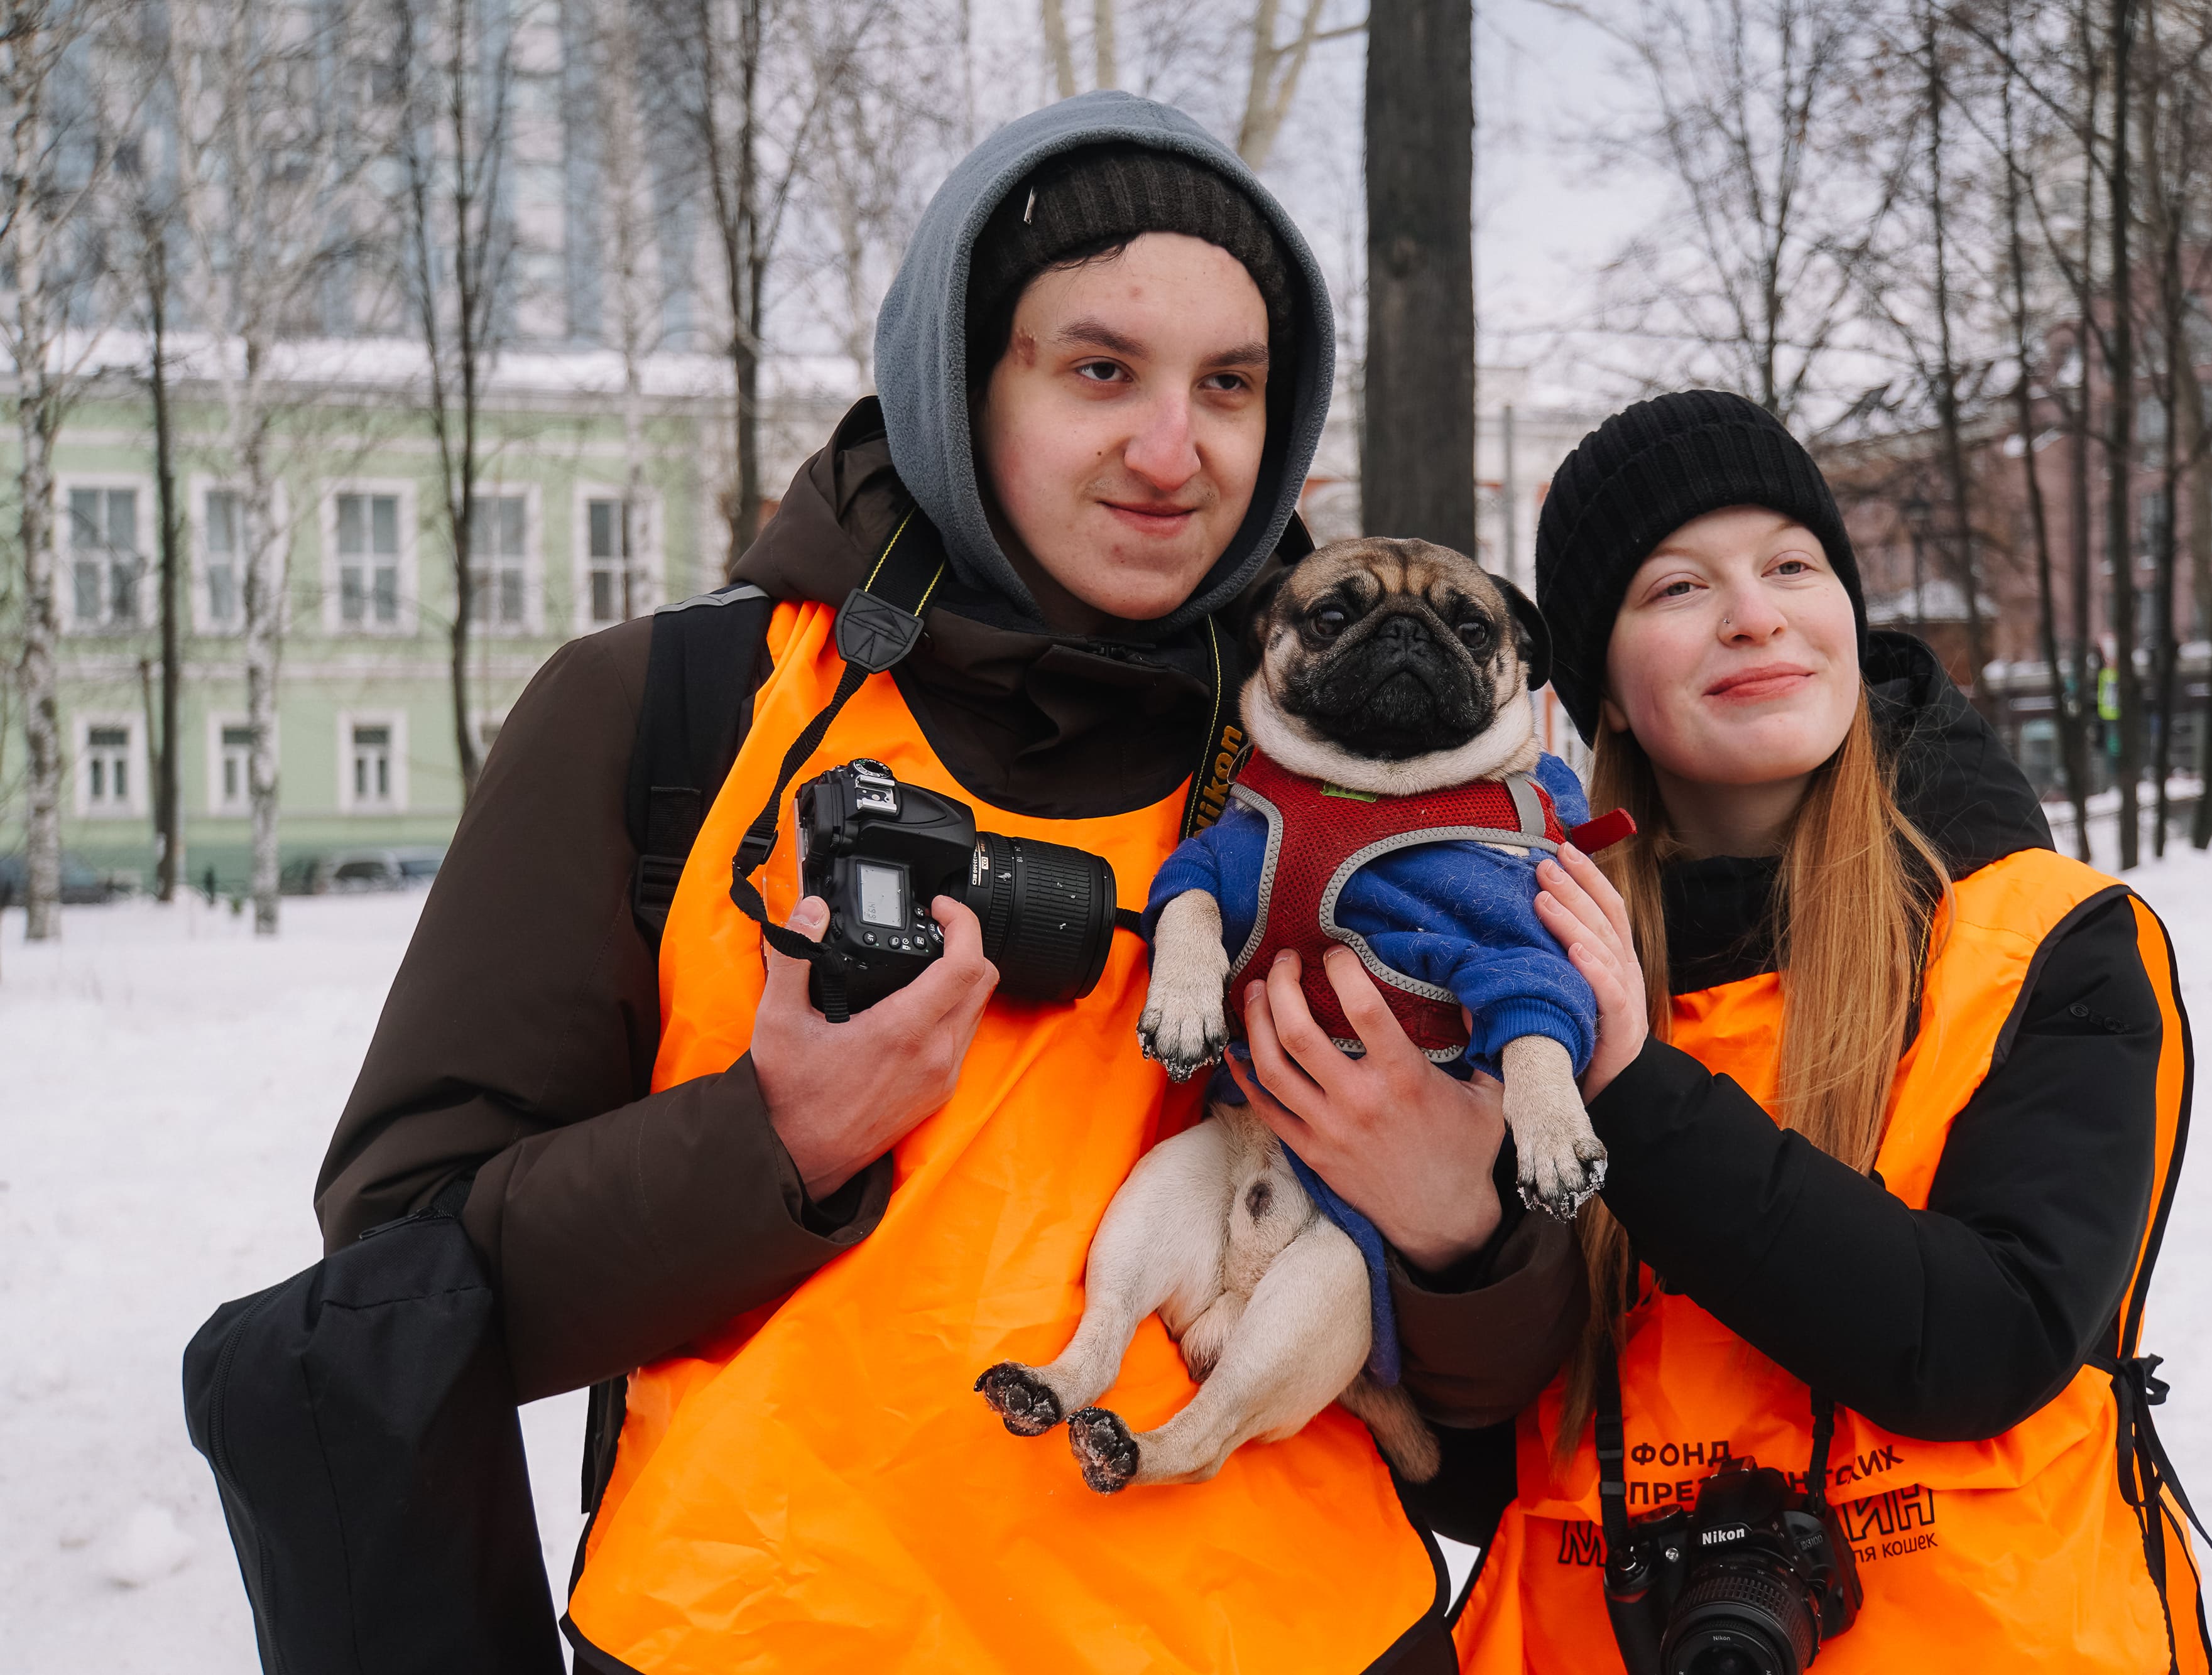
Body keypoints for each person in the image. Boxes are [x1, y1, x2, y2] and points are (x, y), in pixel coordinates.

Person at [315, 92, 1574, 1674]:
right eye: (1098, 368)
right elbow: (400, 1270)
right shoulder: (671, 710)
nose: (1173, 451)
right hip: (764, 1634)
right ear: (961, 377)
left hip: (1297, 1632)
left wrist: (1462, 1228)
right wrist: (767, 1143)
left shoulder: (1366, 775)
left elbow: (1487, 1434)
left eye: (1231, 386)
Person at [1454, 391, 2212, 1672]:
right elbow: (1475, 1451)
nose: (1753, 612)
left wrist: (1635, 1093)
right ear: (1609, 696)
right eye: (1678, 586)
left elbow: (1987, 1338)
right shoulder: (1519, 972)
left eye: (1791, 564)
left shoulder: (2045, 938)